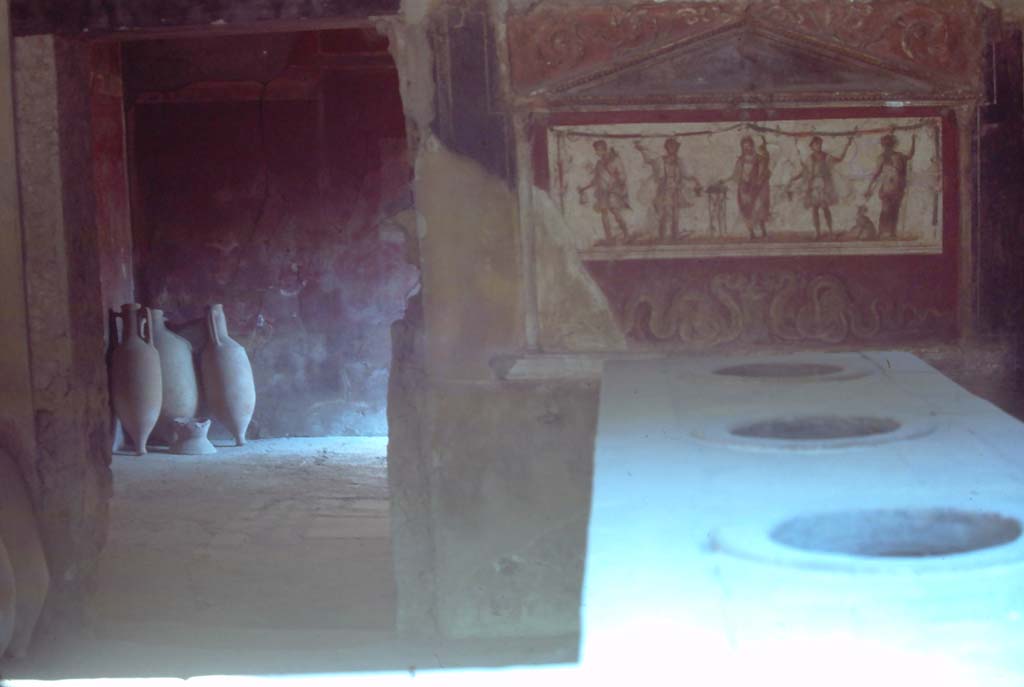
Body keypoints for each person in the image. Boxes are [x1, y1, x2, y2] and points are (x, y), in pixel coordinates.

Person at [786, 135, 854, 239]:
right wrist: (793, 178)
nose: (818, 146)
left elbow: (839, 159)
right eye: (816, 144)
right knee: (814, 209)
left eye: (820, 144)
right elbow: (804, 171)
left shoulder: (826, 156)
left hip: (824, 185)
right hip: (813, 185)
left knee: (825, 208)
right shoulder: (809, 158)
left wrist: (847, 145)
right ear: (812, 146)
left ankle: (831, 231)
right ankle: (817, 232)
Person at [634, 138, 701, 242]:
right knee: (663, 215)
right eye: (670, 146)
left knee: (675, 215)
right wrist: (641, 149)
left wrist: (696, 180)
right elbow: (649, 160)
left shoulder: (679, 161)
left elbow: (686, 174)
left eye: (674, 147)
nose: (672, 149)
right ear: (667, 148)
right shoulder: (661, 160)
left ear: (676, 148)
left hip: (676, 191)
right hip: (664, 191)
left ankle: (675, 237)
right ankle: (662, 238)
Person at [578, 140, 631, 245]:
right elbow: (596, 179)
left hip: (613, 192)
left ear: (602, 149)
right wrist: (584, 188)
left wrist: (615, 184)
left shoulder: (615, 160)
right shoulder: (599, 163)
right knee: (604, 215)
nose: (596, 153)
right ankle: (609, 238)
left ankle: (626, 234)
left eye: (597, 150)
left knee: (616, 214)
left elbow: (622, 176)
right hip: (602, 192)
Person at [865, 133, 916, 239]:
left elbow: (910, 155)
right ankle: (881, 232)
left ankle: (891, 233)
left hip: (897, 188)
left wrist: (913, 140)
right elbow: (876, 174)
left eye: (888, 145)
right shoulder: (882, 157)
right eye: (885, 145)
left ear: (892, 145)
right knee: (886, 211)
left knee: (893, 210)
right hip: (887, 188)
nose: (886, 147)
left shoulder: (899, 156)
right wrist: (869, 188)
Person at [720, 135, 771, 239]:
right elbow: (735, 174)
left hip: (756, 187)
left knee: (759, 208)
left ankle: (763, 230)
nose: (746, 149)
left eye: (748, 146)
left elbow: (763, 172)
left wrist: (759, 181)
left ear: (752, 146)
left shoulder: (759, 158)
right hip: (744, 187)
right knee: (746, 210)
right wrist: (724, 180)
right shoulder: (741, 160)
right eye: (744, 147)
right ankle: (751, 233)